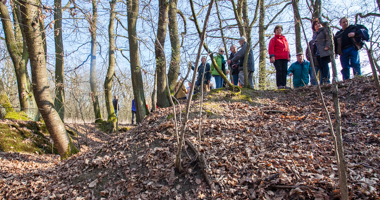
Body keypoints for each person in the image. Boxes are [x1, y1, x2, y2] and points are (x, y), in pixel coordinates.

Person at [310, 19, 331, 85]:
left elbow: (329, 38)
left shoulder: (324, 30)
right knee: (321, 67)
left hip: (323, 52)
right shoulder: (315, 35)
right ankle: (322, 82)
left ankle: (327, 81)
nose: (317, 25)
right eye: (315, 24)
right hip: (317, 53)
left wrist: (327, 46)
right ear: (314, 27)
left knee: (325, 67)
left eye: (318, 23)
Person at [268, 25, 290, 89]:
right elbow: (271, 48)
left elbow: (287, 48)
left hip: (284, 57)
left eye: (280, 30)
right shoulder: (273, 39)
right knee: (279, 70)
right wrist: (272, 56)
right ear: (275, 31)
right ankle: (279, 85)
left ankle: (284, 84)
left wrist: (288, 56)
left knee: (284, 70)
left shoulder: (284, 39)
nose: (279, 31)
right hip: (277, 58)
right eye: (277, 30)